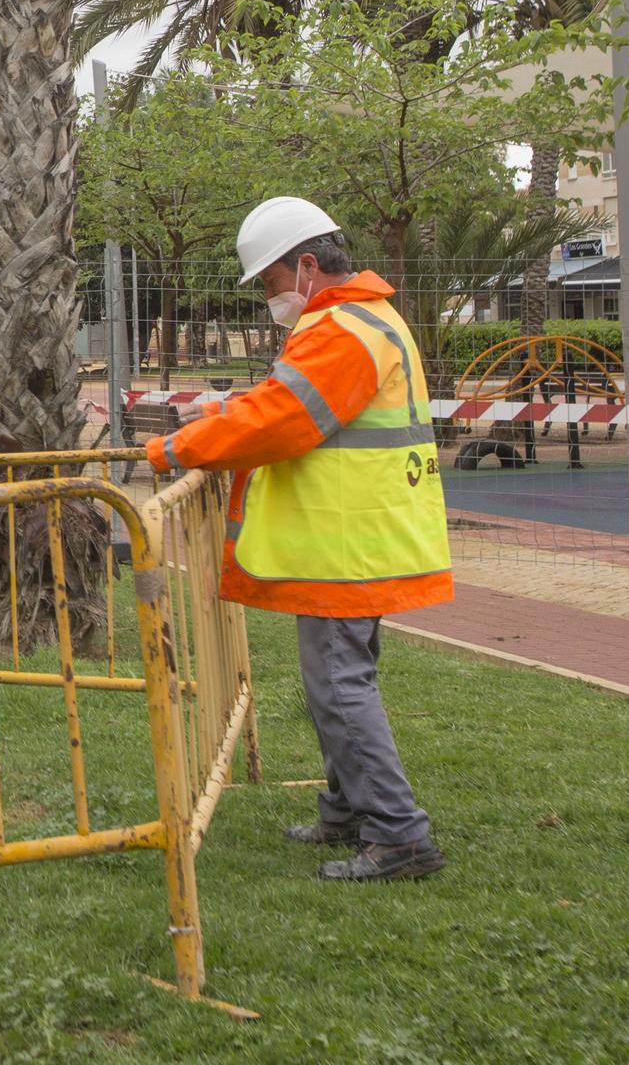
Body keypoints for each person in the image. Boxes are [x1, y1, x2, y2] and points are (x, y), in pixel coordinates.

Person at [146, 196, 451, 881]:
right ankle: (348, 812)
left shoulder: (342, 327)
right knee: (336, 684)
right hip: (356, 538)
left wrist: (177, 448)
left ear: (308, 265)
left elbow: (285, 420)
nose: (267, 296)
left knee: (340, 687)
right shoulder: (356, 320)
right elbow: (294, 403)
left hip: (348, 544)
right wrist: (224, 409)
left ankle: (400, 836)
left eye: (271, 281)